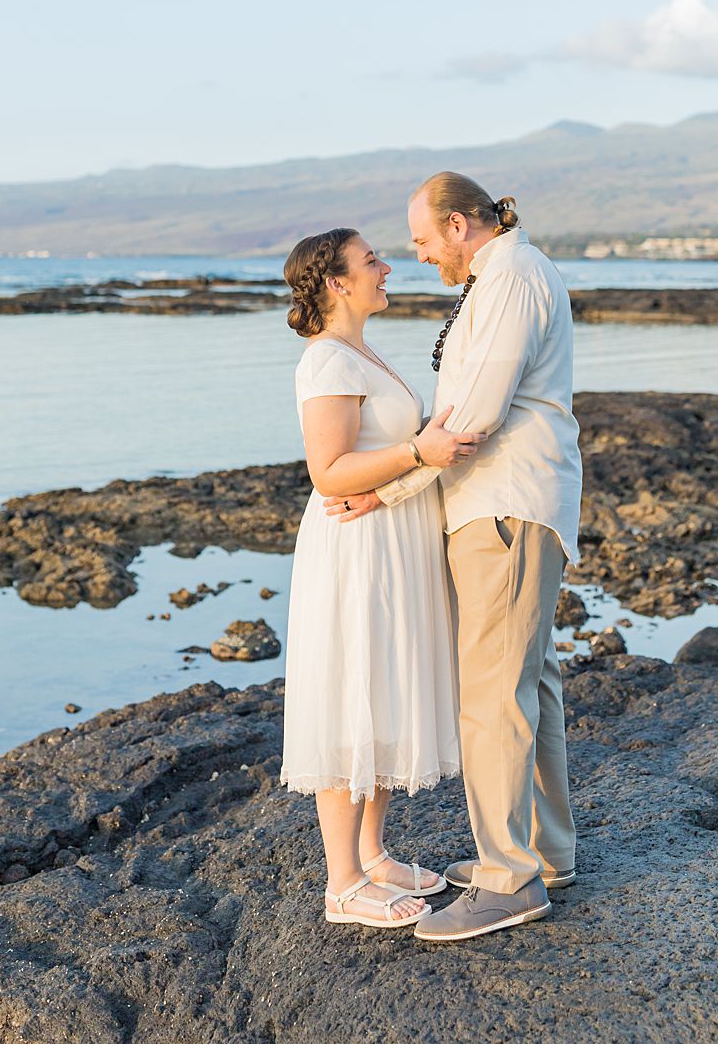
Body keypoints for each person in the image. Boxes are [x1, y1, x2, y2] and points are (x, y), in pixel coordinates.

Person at [326, 174, 582, 941]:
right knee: (529, 682)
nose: (417, 255)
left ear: (461, 225)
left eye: (423, 240)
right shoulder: (504, 275)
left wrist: (390, 491)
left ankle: (509, 881)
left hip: (503, 504)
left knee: (493, 694)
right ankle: (544, 854)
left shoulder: (512, 280)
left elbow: (472, 417)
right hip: (512, 502)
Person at [279, 225, 485, 929]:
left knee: (382, 688)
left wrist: (420, 452)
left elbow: (401, 451)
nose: (387, 267)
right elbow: (328, 472)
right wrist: (416, 450)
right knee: (350, 694)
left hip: (391, 539)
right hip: (355, 548)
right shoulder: (327, 362)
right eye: (372, 262)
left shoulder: (362, 351)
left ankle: (371, 854)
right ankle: (341, 885)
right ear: (337, 282)